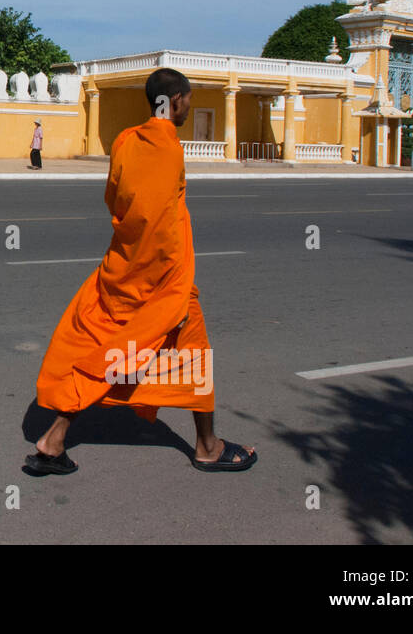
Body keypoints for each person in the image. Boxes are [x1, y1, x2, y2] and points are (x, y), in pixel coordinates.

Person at [25, 68, 255, 475]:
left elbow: (116, 200)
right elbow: (161, 224)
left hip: (121, 270)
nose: (188, 105)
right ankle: (208, 447)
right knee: (193, 355)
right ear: (178, 100)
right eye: (188, 99)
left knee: (109, 352)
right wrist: (170, 289)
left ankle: (54, 437)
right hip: (163, 278)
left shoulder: (125, 140)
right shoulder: (168, 148)